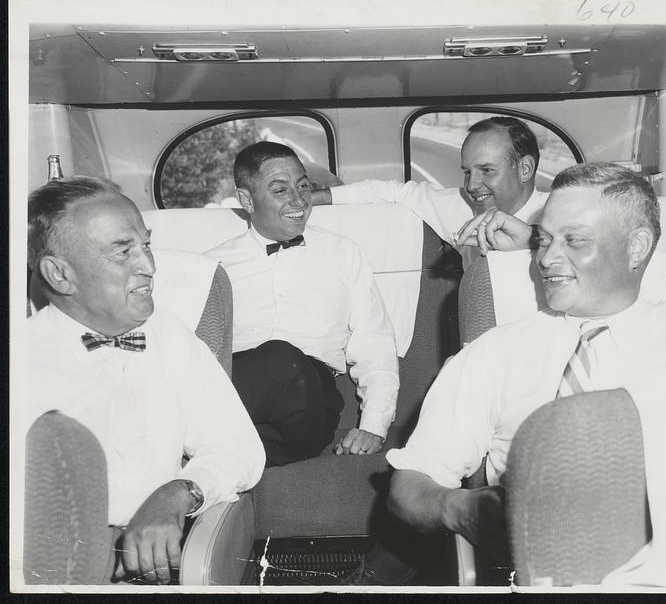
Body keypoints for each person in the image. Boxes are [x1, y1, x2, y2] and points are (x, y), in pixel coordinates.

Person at [382, 162, 666, 583]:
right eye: (543, 240)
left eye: (573, 241)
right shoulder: (494, 353)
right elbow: (409, 485)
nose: (546, 258)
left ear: (636, 247)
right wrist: (460, 509)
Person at [25, 176, 266, 584]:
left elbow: (240, 449)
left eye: (146, 245)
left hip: (163, 556)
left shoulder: (168, 334)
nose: (150, 267)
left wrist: (177, 493)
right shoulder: (22, 362)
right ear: (59, 275)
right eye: (123, 252)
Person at [205, 142, 399, 465]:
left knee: (285, 360)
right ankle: (219, 458)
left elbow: (375, 344)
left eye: (303, 186)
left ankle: (205, 448)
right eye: (280, 190)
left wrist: (374, 426)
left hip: (308, 399)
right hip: (237, 390)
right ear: (246, 200)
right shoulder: (214, 265)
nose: (298, 201)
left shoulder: (343, 253)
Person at [310, 116, 545, 256]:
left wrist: (530, 240)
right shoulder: (459, 205)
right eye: (467, 172)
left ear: (525, 169)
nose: (472, 185)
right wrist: (315, 197)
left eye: (487, 170)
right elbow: (389, 191)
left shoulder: (560, 212)